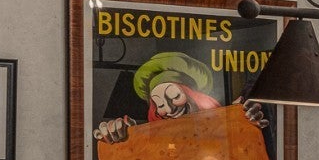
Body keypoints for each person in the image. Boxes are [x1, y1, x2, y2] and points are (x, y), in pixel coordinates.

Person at [94, 52, 266, 144]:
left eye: (174, 96)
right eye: (160, 104)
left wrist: (244, 125)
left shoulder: (223, 125)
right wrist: (127, 138)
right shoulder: (160, 141)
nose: (169, 109)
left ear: (193, 95)